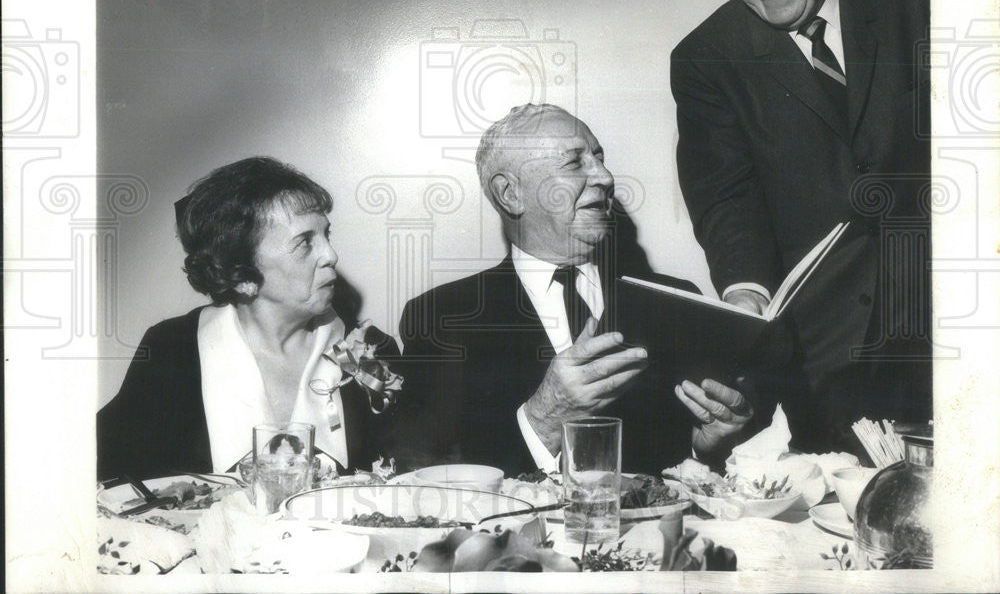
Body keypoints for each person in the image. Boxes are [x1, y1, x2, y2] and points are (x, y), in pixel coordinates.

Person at [670, 0, 931, 453]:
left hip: (954, 337)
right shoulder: (705, 60)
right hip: (825, 365)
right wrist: (744, 295)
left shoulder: (923, 4)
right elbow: (727, 204)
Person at [390, 104, 753, 476]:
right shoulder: (441, 318)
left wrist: (706, 447)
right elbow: (424, 473)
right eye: (574, 163)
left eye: (599, 158)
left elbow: (687, 464)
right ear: (511, 194)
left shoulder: (677, 303)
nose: (606, 176)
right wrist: (543, 419)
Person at [97, 157, 400, 480]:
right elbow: (111, 477)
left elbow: (406, 483)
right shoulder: (172, 350)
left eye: (326, 235)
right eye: (304, 242)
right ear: (242, 277)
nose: (330, 255)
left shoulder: (373, 352)